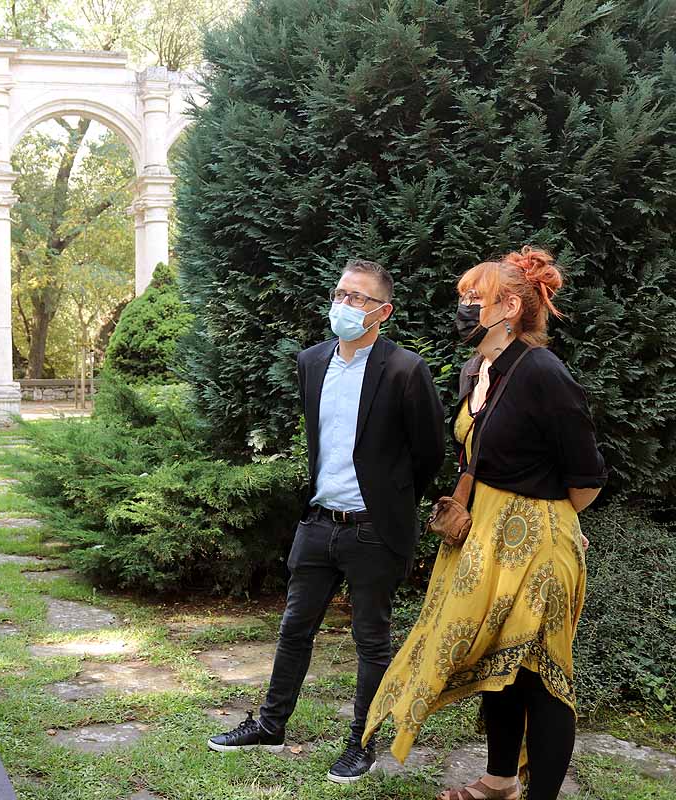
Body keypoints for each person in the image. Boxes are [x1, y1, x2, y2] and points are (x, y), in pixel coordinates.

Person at [362, 247, 607, 800]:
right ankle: (500, 782)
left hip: (537, 546)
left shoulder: (544, 371)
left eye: (476, 299)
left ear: (511, 307)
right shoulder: (478, 369)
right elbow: (477, 457)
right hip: (484, 536)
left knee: (539, 675)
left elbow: (586, 476)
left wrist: (551, 522)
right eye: (464, 299)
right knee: (500, 665)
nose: (465, 308)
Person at [208, 259, 446, 784]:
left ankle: (361, 745)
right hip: (318, 522)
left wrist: (389, 504)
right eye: (341, 293)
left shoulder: (405, 369)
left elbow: (429, 452)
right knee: (294, 628)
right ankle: (271, 725)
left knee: (371, 640)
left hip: (373, 529)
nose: (345, 304)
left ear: (382, 311)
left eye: (358, 298)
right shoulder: (312, 361)